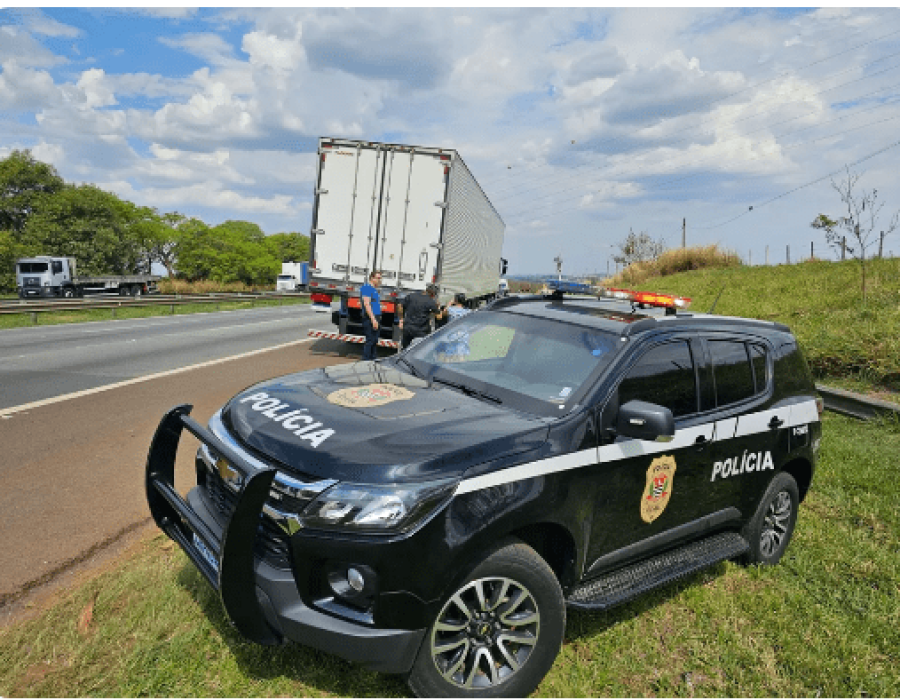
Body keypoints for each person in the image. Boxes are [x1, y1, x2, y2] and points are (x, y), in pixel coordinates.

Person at [398, 283, 446, 350]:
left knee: (405, 350)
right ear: (433, 294)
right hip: (420, 332)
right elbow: (439, 317)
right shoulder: (430, 302)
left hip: (408, 329)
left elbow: (400, 306)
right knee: (418, 351)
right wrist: (437, 307)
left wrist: (401, 319)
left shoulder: (411, 296)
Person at [360, 270, 382, 361]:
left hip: (376, 317)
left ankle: (373, 359)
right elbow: (367, 304)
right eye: (378, 278)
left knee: (374, 341)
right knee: (370, 341)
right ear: (372, 278)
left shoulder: (374, 289)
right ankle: (366, 361)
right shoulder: (366, 288)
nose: (379, 280)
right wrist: (373, 320)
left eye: (380, 278)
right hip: (370, 318)